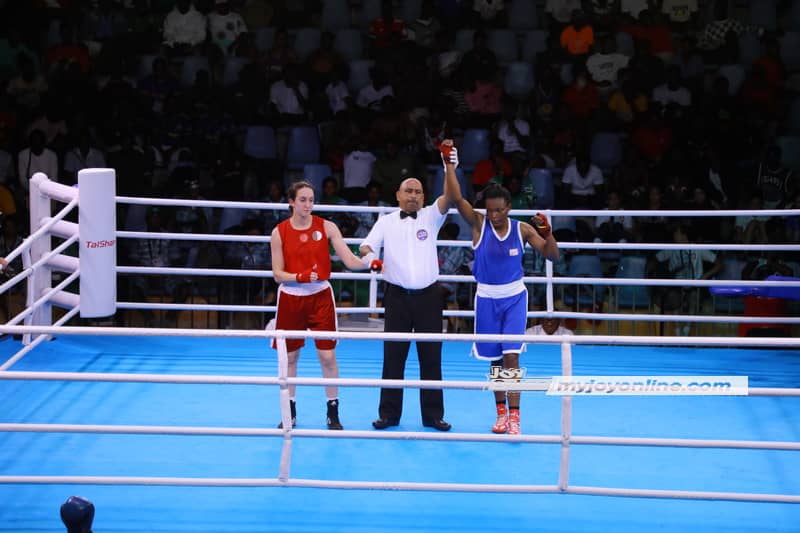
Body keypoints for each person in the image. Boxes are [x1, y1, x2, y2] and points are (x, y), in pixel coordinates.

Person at [441, 139, 559, 435]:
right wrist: (449, 165)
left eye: (498, 210)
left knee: (511, 355)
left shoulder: (523, 229)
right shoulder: (479, 225)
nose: (493, 215)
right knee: (494, 359)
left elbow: (552, 255)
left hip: (514, 298)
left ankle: (517, 414)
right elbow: (456, 199)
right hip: (486, 299)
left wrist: (550, 233)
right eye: (489, 210)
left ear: (508, 207)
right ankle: (501, 412)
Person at [270, 181, 382, 430]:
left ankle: (333, 412)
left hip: (320, 296)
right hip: (290, 296)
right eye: (302, 200)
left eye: (311, 199)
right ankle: (290, 411)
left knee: (328, 356)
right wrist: (298, 277)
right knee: (290, 357)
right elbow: (277, 274)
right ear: (291, 202)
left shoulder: (327, 227)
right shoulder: (279, 232)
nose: (308, 204)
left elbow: (350, 260)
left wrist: (370, 263)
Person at [359, 172, 452, 431]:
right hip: (397, 297)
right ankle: (388, 414)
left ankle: (433, 415)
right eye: (408, 191)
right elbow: (365, 247)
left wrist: (448, 167)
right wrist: (372, 261)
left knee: (432, 357)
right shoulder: (386, 222)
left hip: (429, 298)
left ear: (424, 197)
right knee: (393, 358)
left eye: (418, 191)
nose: (413, 195)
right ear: (398, 195)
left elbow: (450, 196)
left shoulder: (432, 216)